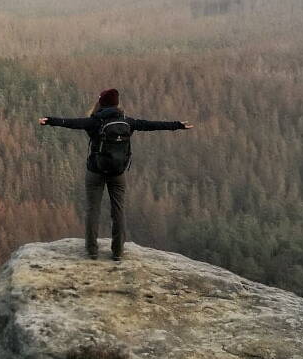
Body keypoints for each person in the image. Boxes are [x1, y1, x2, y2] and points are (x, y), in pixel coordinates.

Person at [39, 88, 192, 261]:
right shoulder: (127, 122)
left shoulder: (95, 121)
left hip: (95, 171)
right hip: (118, 173)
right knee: (118, 211)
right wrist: (177, 125)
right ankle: (118, 252)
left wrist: (50, 121)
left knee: (92, 210)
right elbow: (153, 125)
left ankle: (92, 251)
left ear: (101, 103)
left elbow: (71, 122)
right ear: (117, 103)